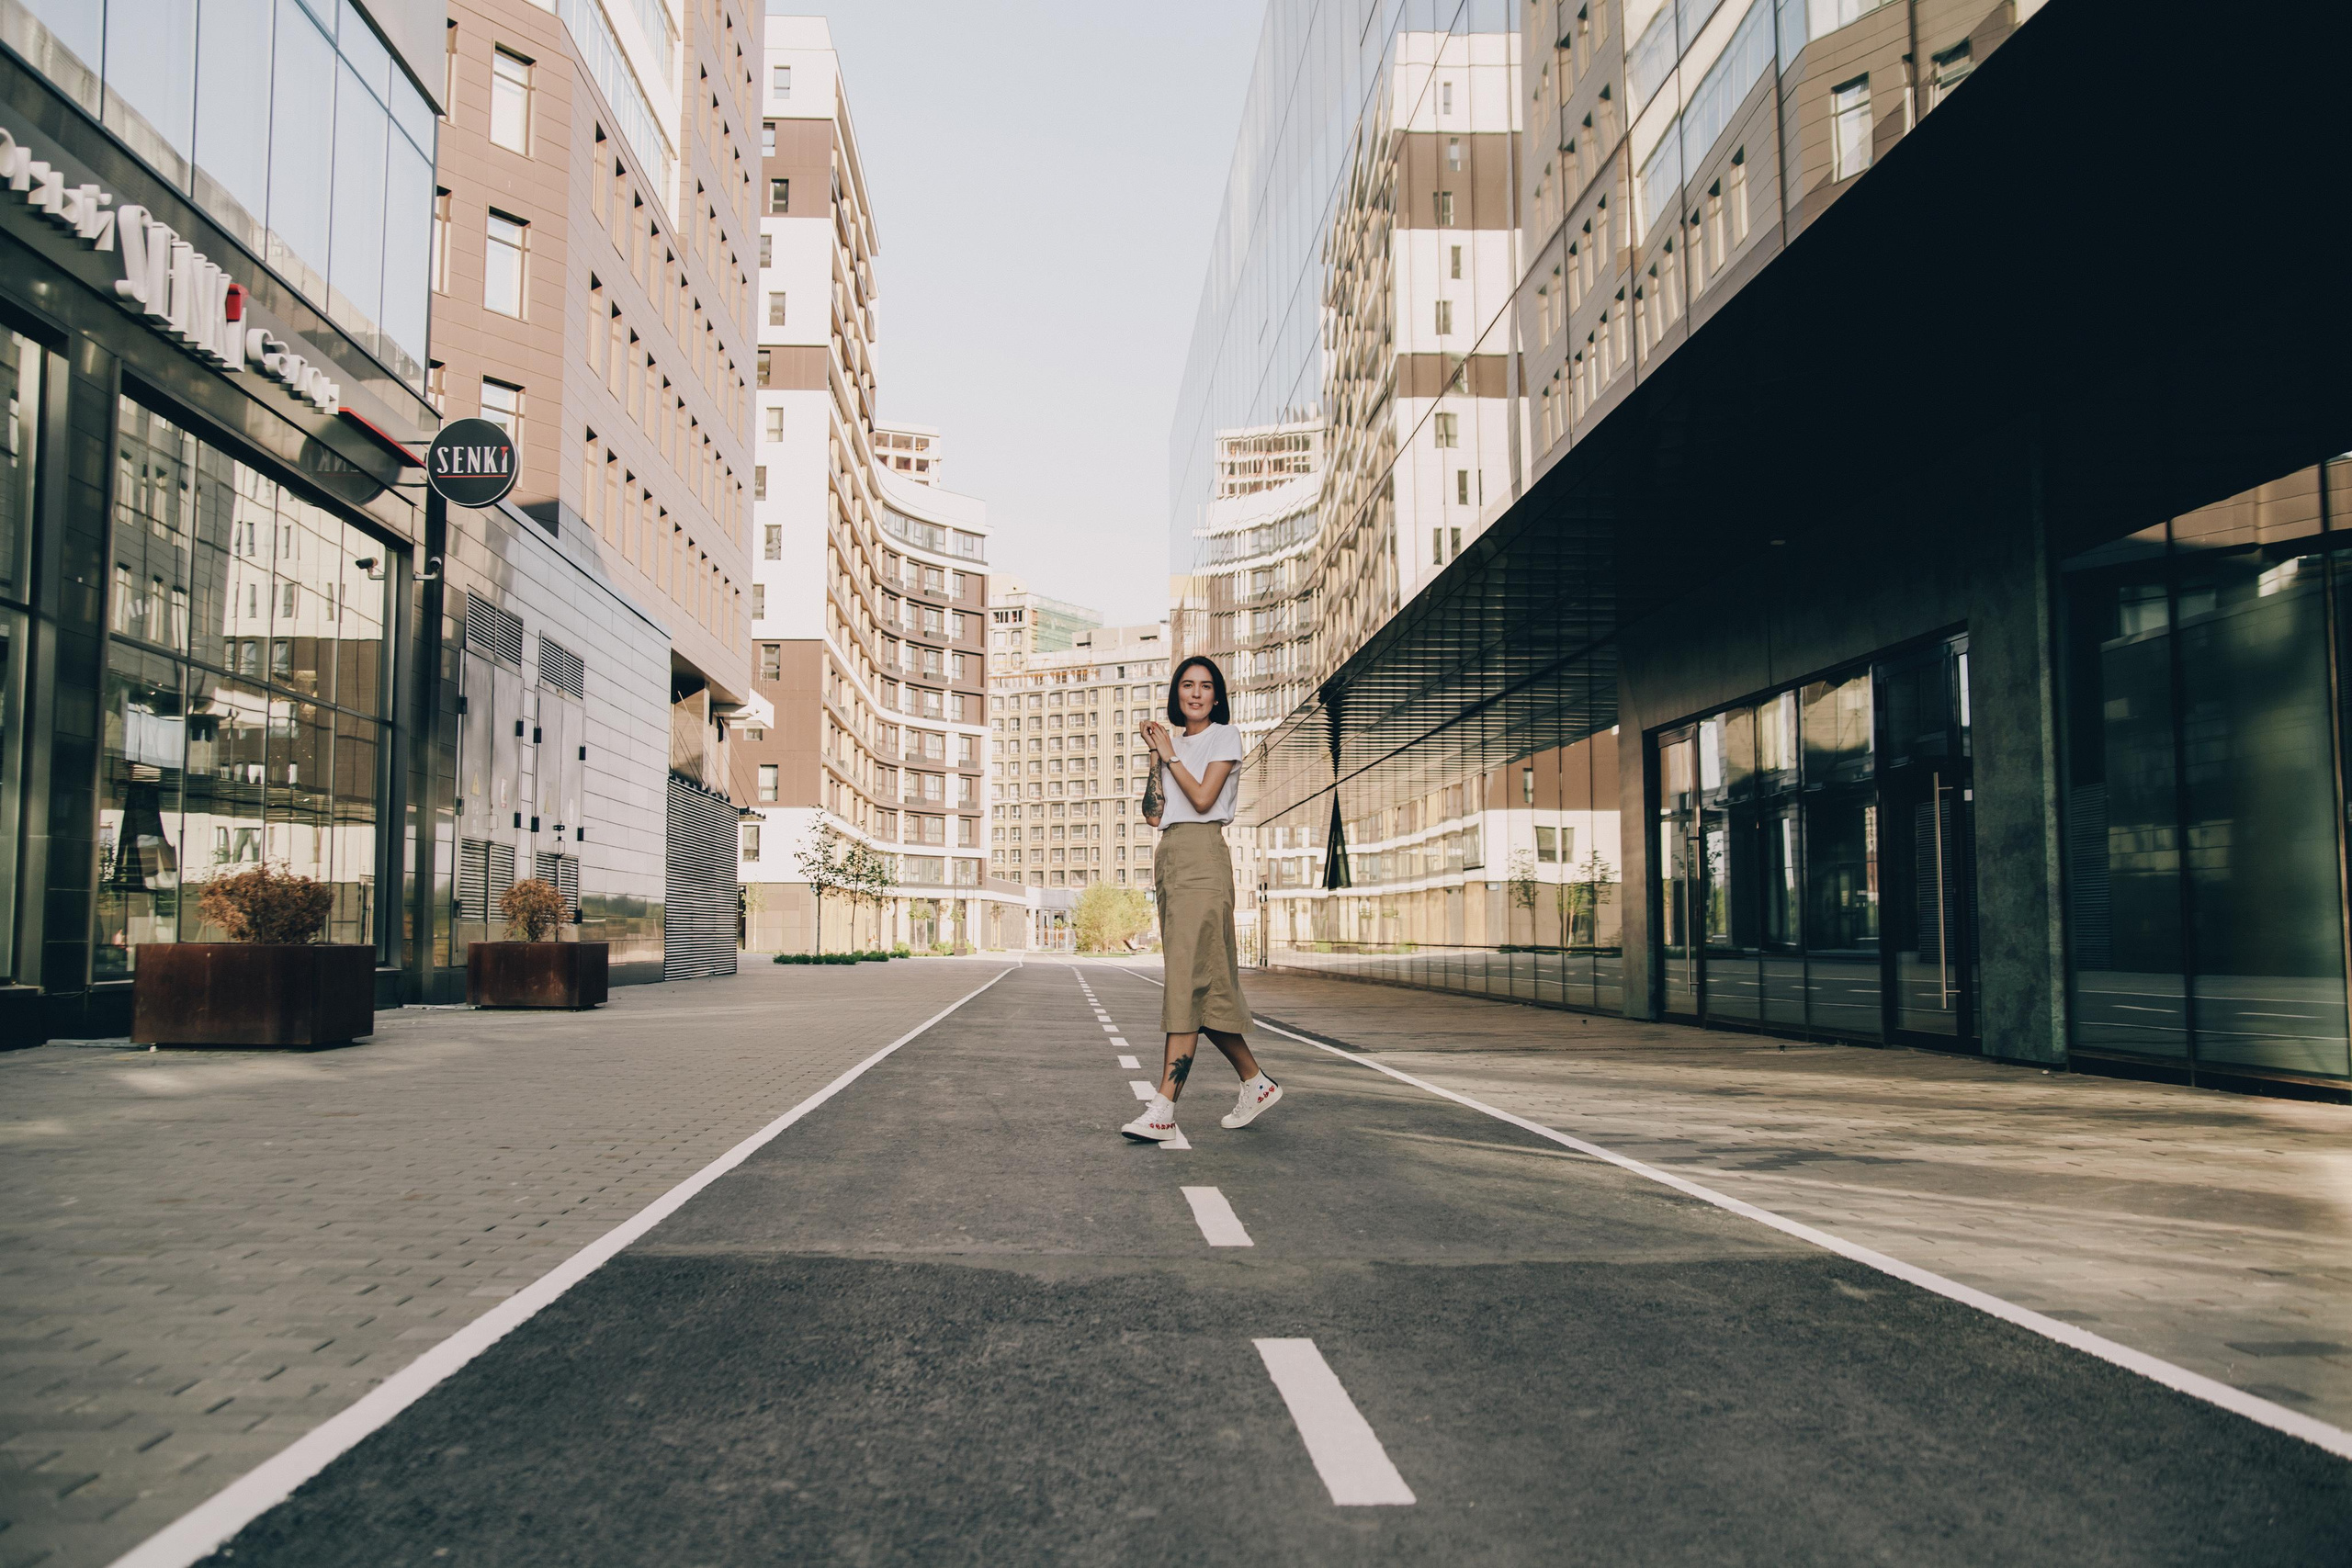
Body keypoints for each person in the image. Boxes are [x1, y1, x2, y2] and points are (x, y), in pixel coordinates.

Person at [1120, 656, 1283, 1142]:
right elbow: (1154, 815)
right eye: (1187, 685)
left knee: (1187, 982)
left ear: (1217, 696)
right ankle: (1255, 1083)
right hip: (1170, 857)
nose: (1195, 693)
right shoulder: (1172, 746)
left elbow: (1206, 800)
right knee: (1201, 986)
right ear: (1177, 693)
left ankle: (1164, 1109)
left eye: (1205, 686)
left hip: (1203, 856)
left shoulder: (1224, 736)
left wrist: (1169, 754)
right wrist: (1156, 758)